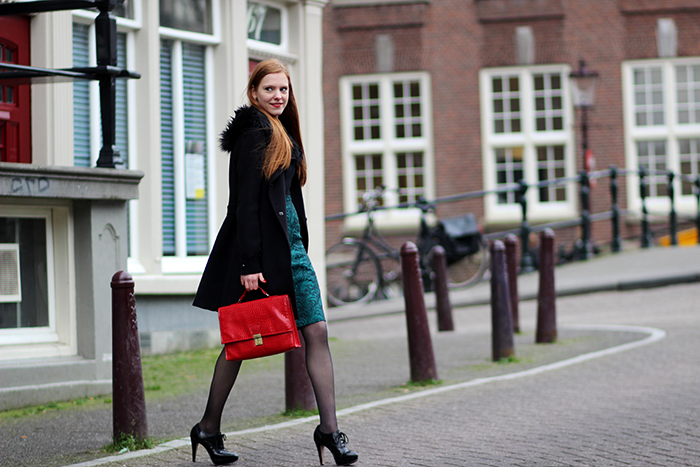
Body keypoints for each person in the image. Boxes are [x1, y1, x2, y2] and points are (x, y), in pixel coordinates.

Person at [190, 59, 359, 466]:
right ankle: (207, 427)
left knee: (317, 330)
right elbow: (245, 204)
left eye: (283, 89)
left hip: (292, 251)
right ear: (254, 93)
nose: (278, 96)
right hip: (264, 254)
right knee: (240, 342)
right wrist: (249, 264)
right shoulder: (255, 134)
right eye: (269, 89)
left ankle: (329, 431)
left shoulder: (280, 130)